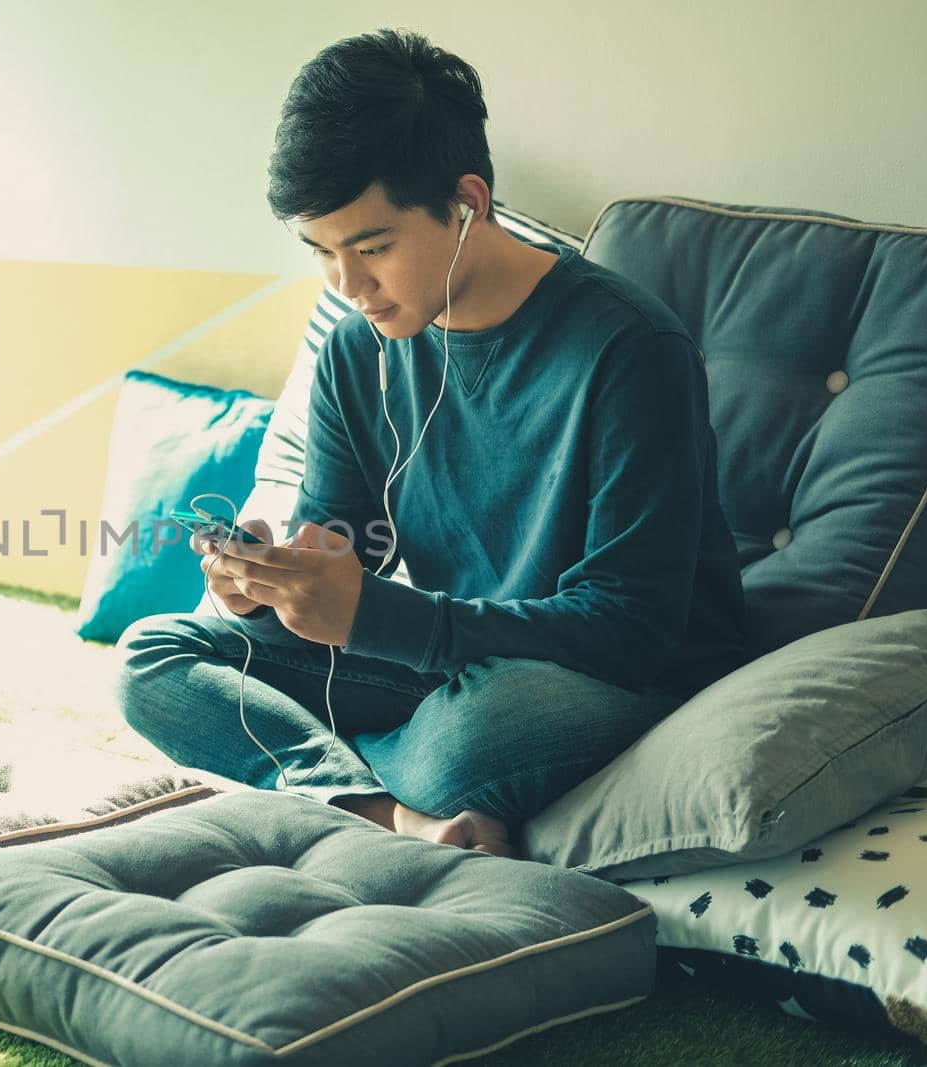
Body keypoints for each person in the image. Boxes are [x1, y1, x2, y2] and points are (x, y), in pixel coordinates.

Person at [115, 29, 748, 857]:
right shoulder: (357, 350)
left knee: (471, 738)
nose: (347, 285)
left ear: (467, 203)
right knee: (154, 658)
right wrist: (277, 580)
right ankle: (394, 815)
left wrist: (377, 617)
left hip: (609, 677)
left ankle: (344, 776)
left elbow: (629, 628)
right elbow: (346, 542)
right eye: (323, 253)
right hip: (454, 659)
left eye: (372, 247)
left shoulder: (630, 351)